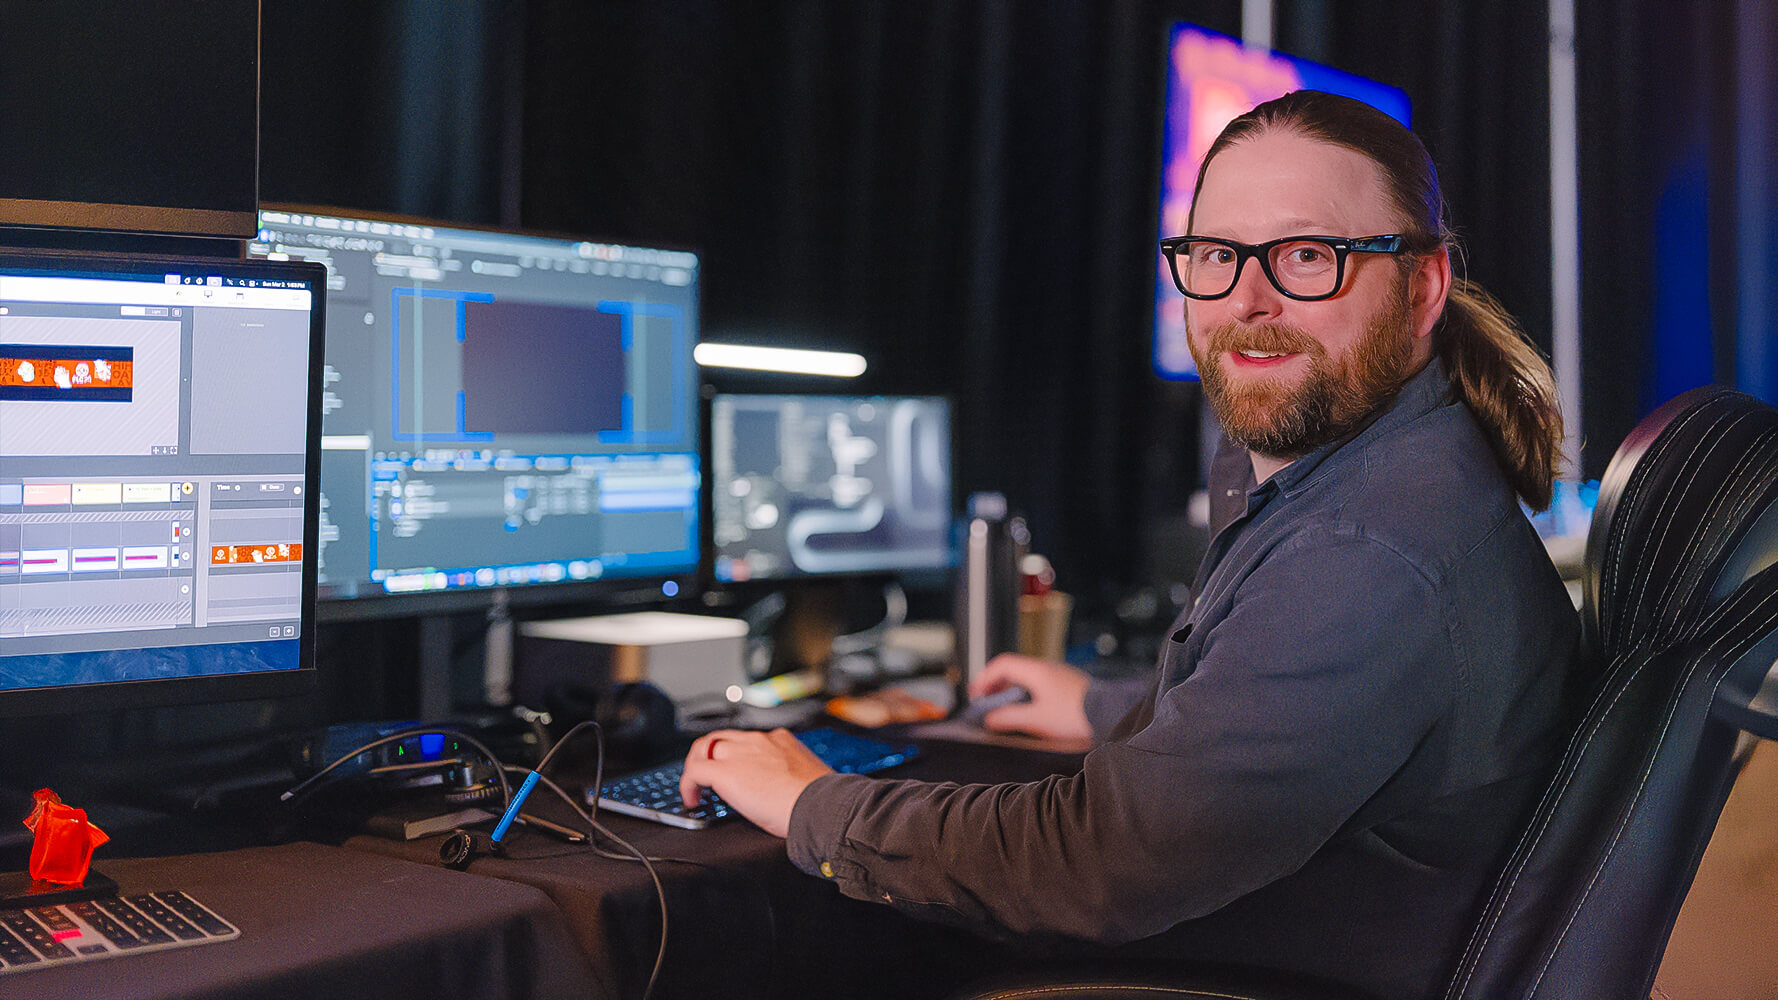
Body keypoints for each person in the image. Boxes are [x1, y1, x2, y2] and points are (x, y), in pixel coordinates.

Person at [678, 90, 1580, 1000]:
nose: (1249, 301)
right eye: (1218, 256)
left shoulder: (1370, 552)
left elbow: (1093, 864)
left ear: (1420, 286)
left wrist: (812, 800)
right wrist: (1104, 706)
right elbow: (1276, 738)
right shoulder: (1373, 474)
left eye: (1310, 257)